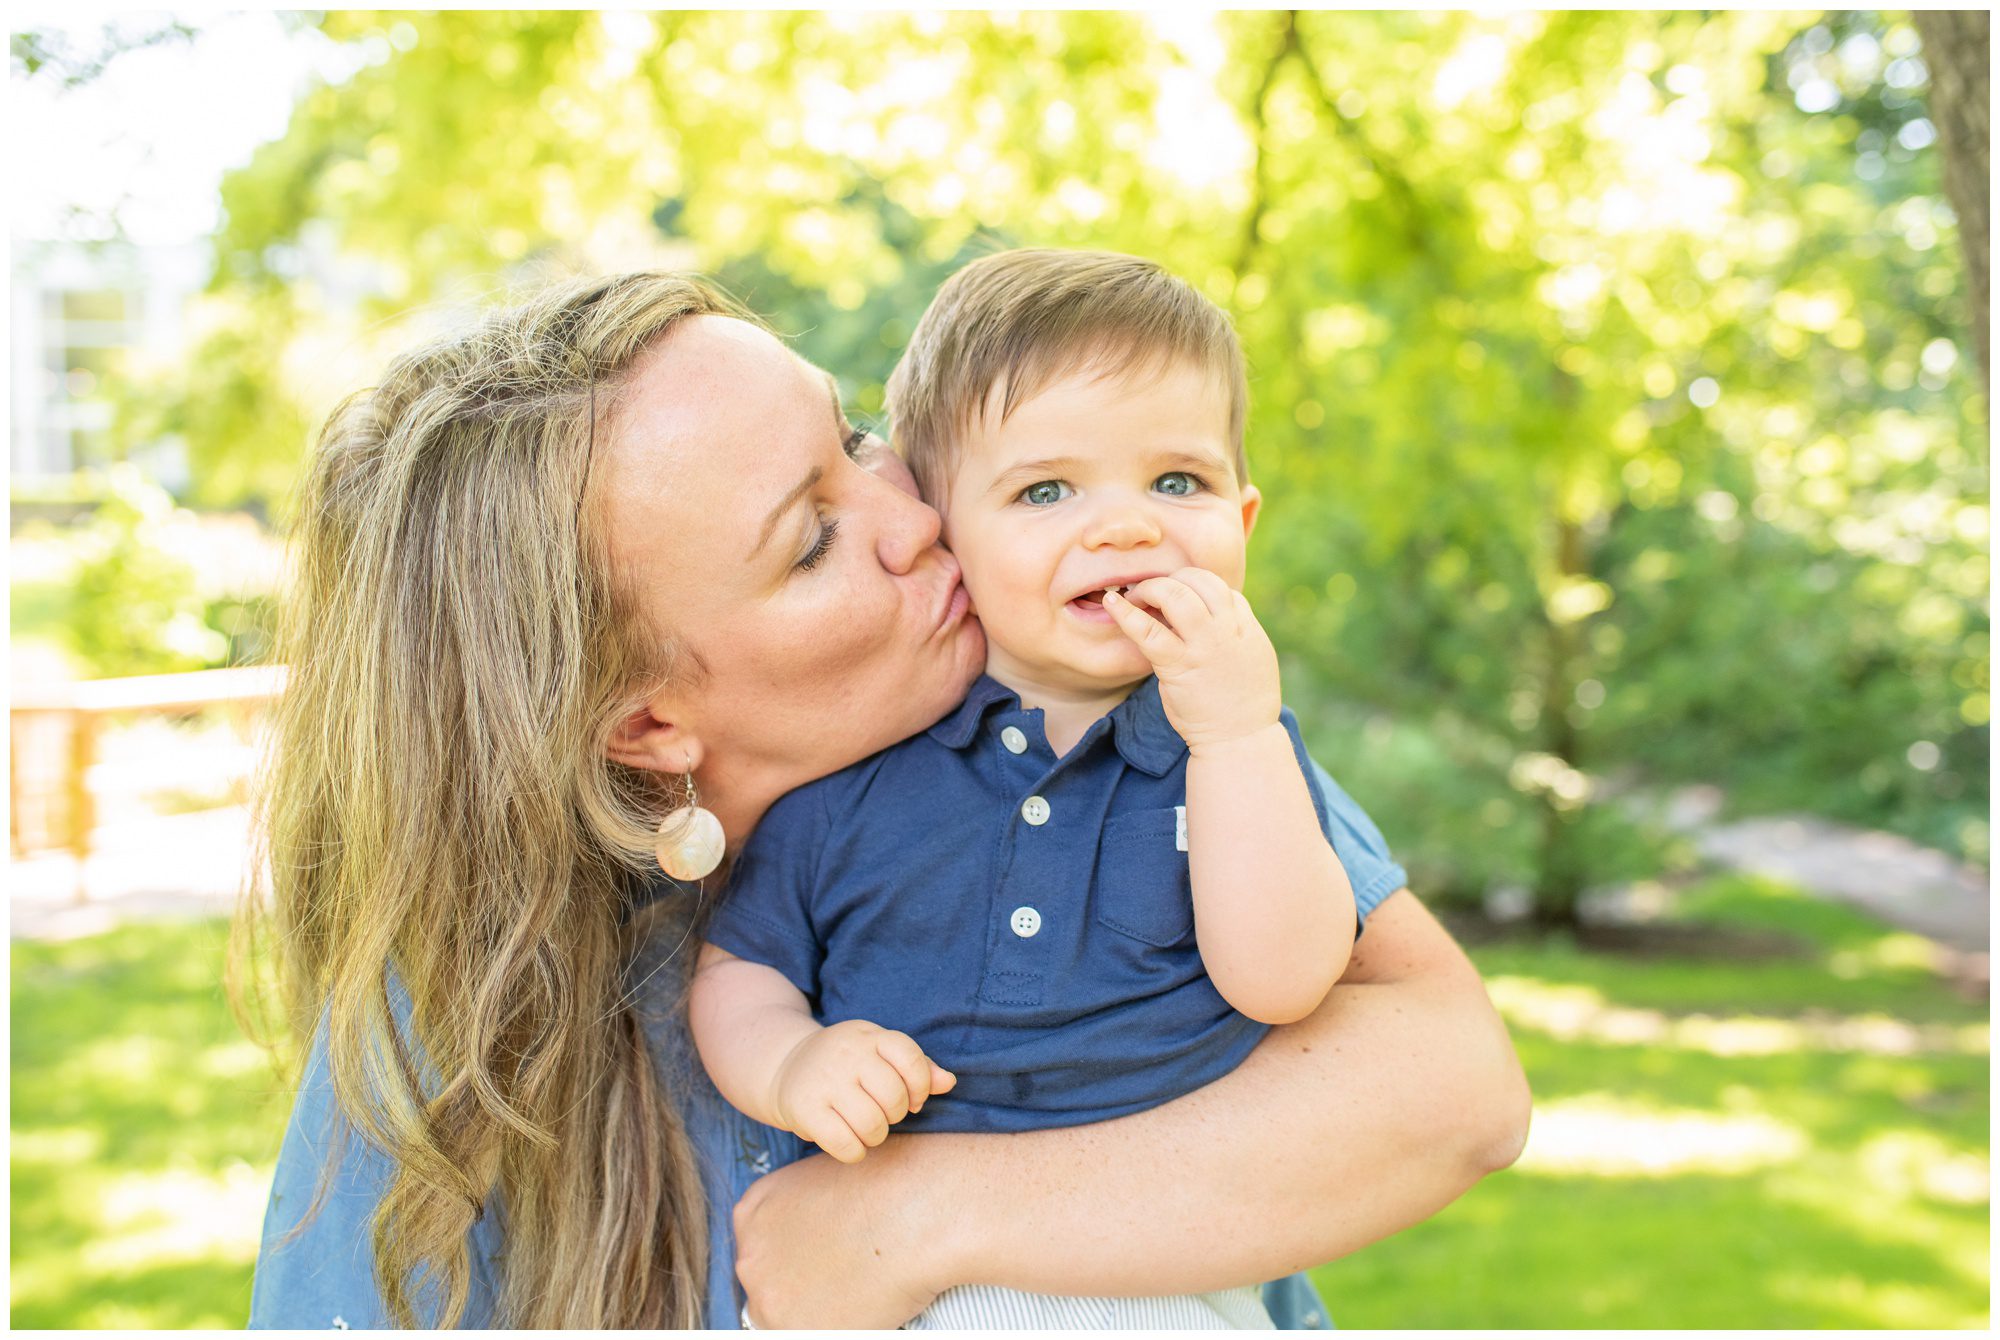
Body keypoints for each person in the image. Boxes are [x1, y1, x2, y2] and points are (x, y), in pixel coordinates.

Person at [241, 269, 1530, 1331]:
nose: (914, 512)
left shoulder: (1137, 728)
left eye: (855, 437)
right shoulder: (454, 1031)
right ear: (646, 721)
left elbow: (1452, 1087)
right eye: (810, 539)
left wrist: (919, 1214)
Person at [691, 249, 1365, 1328]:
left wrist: (1235, 732)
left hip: (1160, 1254)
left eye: (1175, 481)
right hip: (904, 1263)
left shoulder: (1234, 750)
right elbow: (740, 968)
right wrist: (791, 1061)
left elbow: (1283, 979)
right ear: (943, 537)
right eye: (1046, 489)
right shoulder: (860, 769)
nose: (1127, 525)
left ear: (1239, 525)